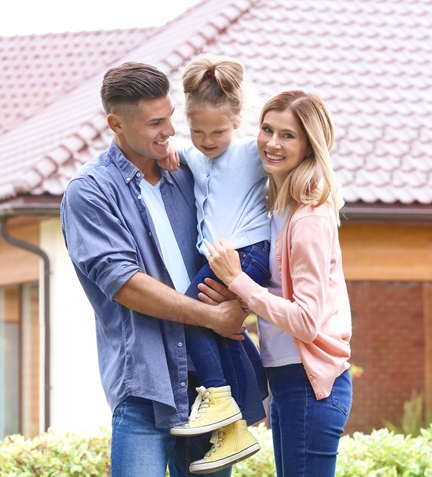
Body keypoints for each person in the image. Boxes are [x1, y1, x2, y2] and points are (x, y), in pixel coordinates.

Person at [59, 61, 267, 477]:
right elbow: (126, 286)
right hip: (147, 389)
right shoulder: (90, 192)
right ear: (116, 124)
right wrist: (211, 315)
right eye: (155, 123)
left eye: (170, 117)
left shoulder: (186, 173)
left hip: (207, 388)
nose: (170, 131)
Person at [207, 90, 353, 476]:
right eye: (267, 129)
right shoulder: (278, 208)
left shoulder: (307, 219)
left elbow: (306, 320)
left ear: (308, 145)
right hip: (287, 378)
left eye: (287, 135)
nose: (272, 143)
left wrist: (238, 282)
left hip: (308, 382)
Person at [158, 54, 269, 473]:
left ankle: (221, 399)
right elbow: (179, 151)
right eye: (198, 130)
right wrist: (171, 149)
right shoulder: (195, 154)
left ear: (237, 120)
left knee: (189, 313)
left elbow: (303, 147)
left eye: (218, 131)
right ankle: (235, 425)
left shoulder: (249, 152)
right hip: (223, 260)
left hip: (247, 255)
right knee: (213, 326)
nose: (208, 140)